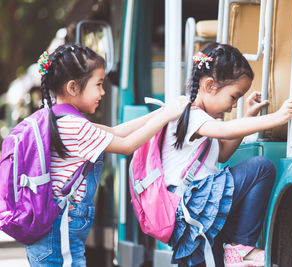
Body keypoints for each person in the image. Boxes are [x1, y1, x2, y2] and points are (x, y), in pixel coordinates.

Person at [26, 44, 188, 266]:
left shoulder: (58, 120)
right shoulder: (74, 127)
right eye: (99, 84)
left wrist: (163, 112)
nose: (103, 92)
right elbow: (127, 145)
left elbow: (115, 132)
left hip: (55, 230)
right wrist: (165, 116)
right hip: (60, 229)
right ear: (73, 87)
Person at [162, 43, 292, 267]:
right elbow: (225, 130)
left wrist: (248, 115)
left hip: (196, 208)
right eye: (233, 97)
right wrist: (279, 117)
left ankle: (236, 253)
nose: (233, 106)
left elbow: (223, 154)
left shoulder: (198, 118)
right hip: (193, 204)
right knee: (261, 168)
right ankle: (241, 248)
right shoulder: (189, 113)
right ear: (210, 85)